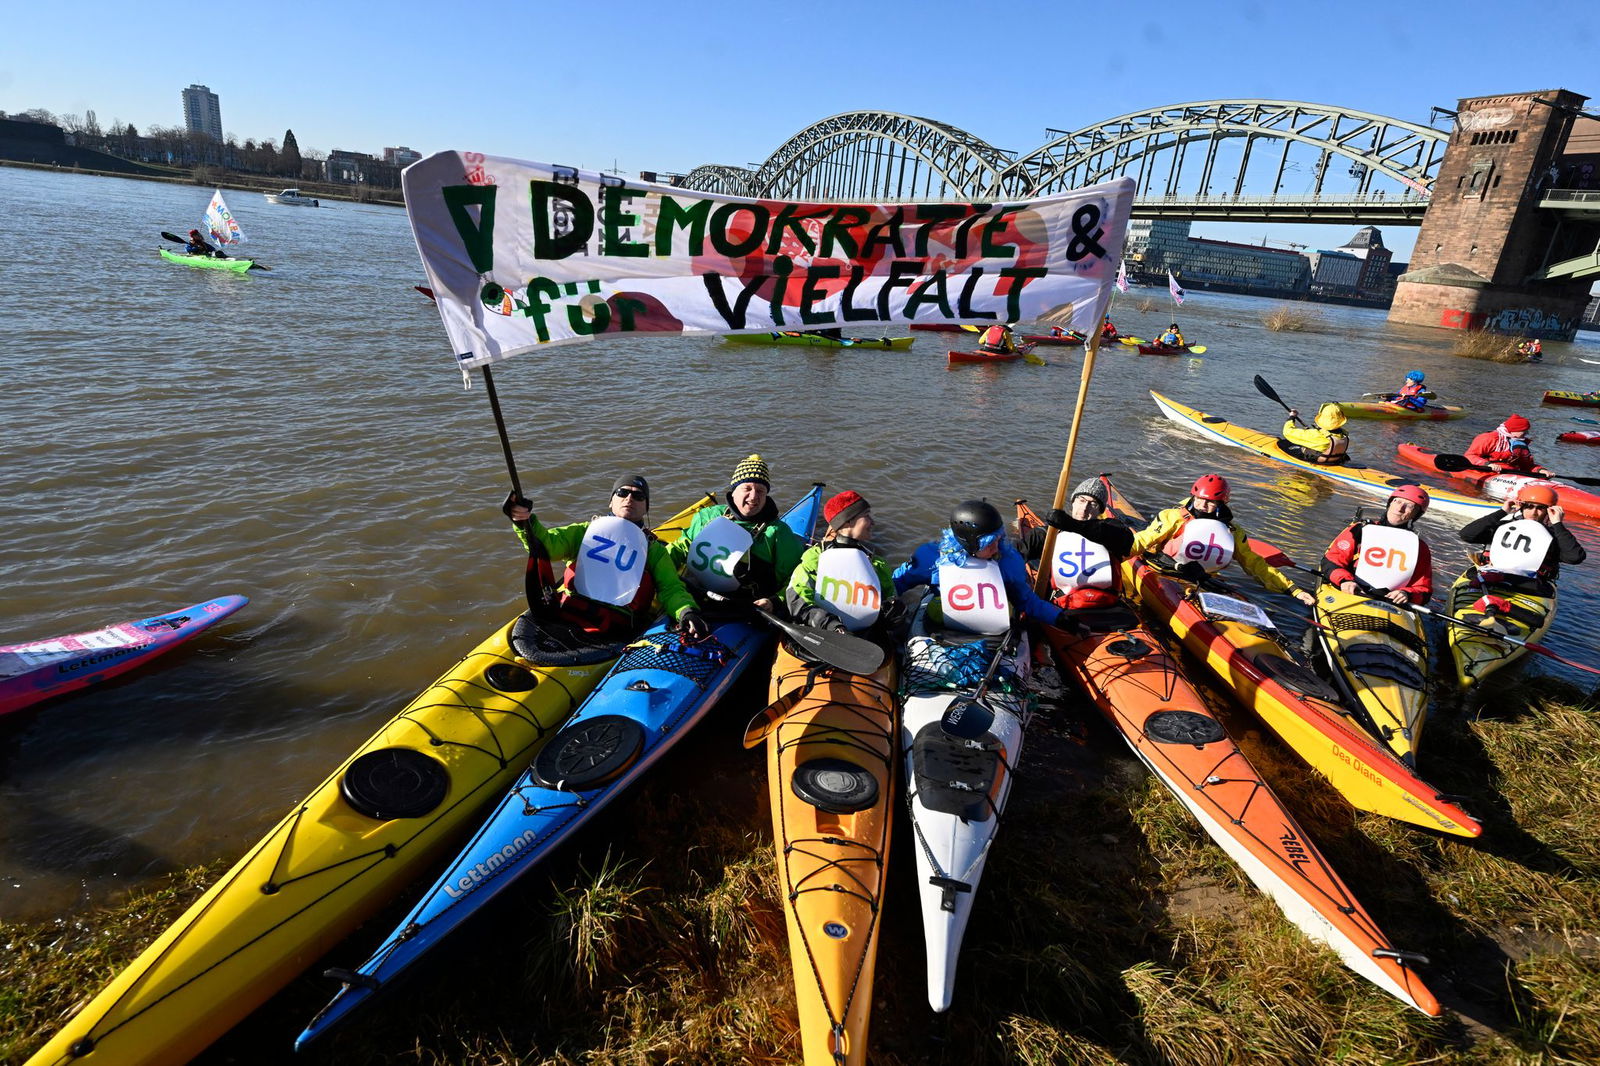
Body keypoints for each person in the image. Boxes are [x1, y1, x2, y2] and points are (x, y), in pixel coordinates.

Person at [505, 474, 706, 639]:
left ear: (646, 508)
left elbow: (670, 588)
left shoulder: (653, 550)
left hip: (617, 628)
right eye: (622, 492)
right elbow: (547, 547)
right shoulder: (585, 531)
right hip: (567, 612)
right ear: (611, 501)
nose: (629, 499)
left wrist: (686, 611)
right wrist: (525, 522)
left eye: (638, 496)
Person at [1128, 473, 1317, 607]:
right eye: (1199, 498)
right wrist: (1122, 548)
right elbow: (1146, 539)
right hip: (1165, 570)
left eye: (1211, 502)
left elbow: (1254, 564)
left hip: (1204, 579)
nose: (1203, 505)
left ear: (1222, 503)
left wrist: (1294, 590)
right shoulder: (1173, 517)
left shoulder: (1232, 531)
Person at [893, 499, 1072, 631]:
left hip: (993, 632)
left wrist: (1059, 618)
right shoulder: (932, 557)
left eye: (999, 539)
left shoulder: (1008, 560)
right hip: (942, 627)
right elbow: (898, 582)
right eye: (989, 543)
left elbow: (1026, 601)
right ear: (968, 542)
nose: (997, 548)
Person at [666, 454, 807, 613]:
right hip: (695, 594)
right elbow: (680, 548)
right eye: (747, 488)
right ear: (733, 492)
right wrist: (653, 567)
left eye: (760, 491)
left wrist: (775, 601)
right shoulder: (707, 516)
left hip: (747, 608)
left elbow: (797, 577)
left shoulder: (778, 533)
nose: (754, 496)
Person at [787, 490, 898, 639]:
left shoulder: (876, 564)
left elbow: (889, 599)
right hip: (822, 632)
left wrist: (894, 610)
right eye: (866, 515)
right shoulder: (815, 559)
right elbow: (797, 600)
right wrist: (831, 625)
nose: (872, 522)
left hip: (863, 637)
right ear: (848, 521)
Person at [1319, 484, 1434, 606]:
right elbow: (1330, 562)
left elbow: (1423, 589)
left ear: (1416, 514)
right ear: (1390, 503)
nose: (1400, 508)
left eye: (1409, 506)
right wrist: (1345, 581)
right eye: (1397, 501)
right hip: (1351, 590)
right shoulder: (1359, 530)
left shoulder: (1419, 547)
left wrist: (1407, 594)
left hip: (1388, 602)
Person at [1458, 483, 1585, 591]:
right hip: (1489, 576)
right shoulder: (1502, 527)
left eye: (1540, 508)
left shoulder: (1554, 536)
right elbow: (1467, 535)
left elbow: (1575, 557)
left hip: (1529, 585)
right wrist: (1503, 511)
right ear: (1521, 507)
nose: (1534, 512)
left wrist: (1558, 524)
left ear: (1549, 510)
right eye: (1529, 506)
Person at [1464, 414, 1552, 476]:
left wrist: (1540, 470)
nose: (1526, 433)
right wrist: (1487, 464)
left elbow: (1526, 465)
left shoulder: (1520, 443)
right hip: (1485, 472)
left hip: (1510, 475)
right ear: (1513, 430)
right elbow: (1469, 456)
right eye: (1524, 431)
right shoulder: (1488, 438)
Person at [1279, 402, 1351, 465]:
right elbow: (1325, 434)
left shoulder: (1315, 434)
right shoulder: (1343, 434)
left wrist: (1292, 417)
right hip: (1336, 459)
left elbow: (1287, 432)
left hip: (1320, 460)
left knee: (1283, 443)